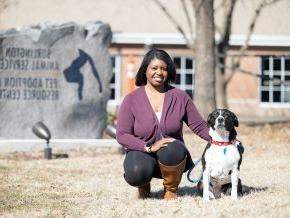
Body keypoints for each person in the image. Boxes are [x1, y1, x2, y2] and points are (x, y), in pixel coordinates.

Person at [116, 49, 210, 200]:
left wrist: (221, 139)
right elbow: (122, 134)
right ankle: (143, 185)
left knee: (172, 147)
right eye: (154, 68)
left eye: (163, 68)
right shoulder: (131, 99)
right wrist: (148, 147)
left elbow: (199, 126)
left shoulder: (180, 97)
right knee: (136, 172)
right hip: (142, 152)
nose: (159, 72)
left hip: (172, 156)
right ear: (145, 70)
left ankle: (170, 190)